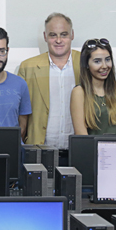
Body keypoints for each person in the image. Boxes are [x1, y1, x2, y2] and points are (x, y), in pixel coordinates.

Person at [17, 13, 81, 158]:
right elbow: (21, 114)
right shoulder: (28, 67)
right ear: (45, 37)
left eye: (63, 34)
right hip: (39, 151)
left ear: (72, 35)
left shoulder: (86, 63)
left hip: (78, 152)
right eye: (53, 35)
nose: (58, 40)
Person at [70, 38, 116, 136]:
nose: (104, 66)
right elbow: (81, 134)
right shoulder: (79, 92)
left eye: (107, 59)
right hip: (93, 150)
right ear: (86, 64)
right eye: (97, 61)